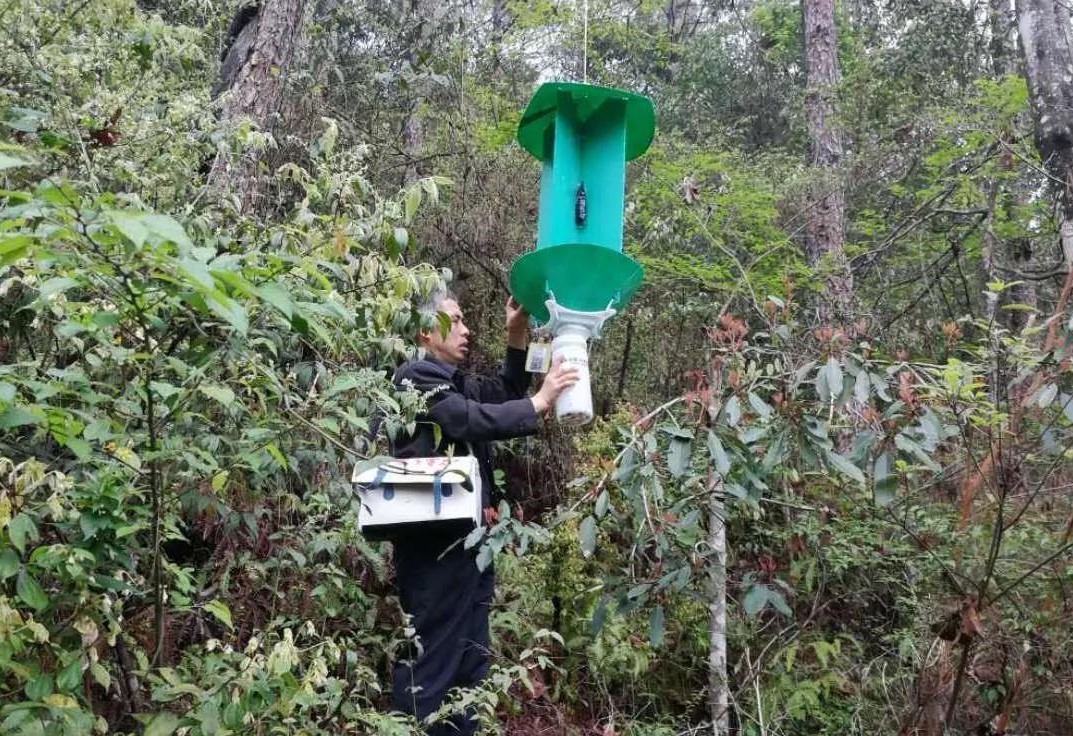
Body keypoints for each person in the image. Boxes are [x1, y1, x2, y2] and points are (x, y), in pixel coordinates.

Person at [388, 292, 578, 735]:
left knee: (470, 658)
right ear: (425, 331)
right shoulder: (414, 378)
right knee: (433, 657)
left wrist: (516, 332)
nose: (466, 329)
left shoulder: (451, 381)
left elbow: (503, 390)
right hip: (433, 549)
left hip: (469, 547)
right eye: (455, 320)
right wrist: (540, 402)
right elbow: (465, 419)